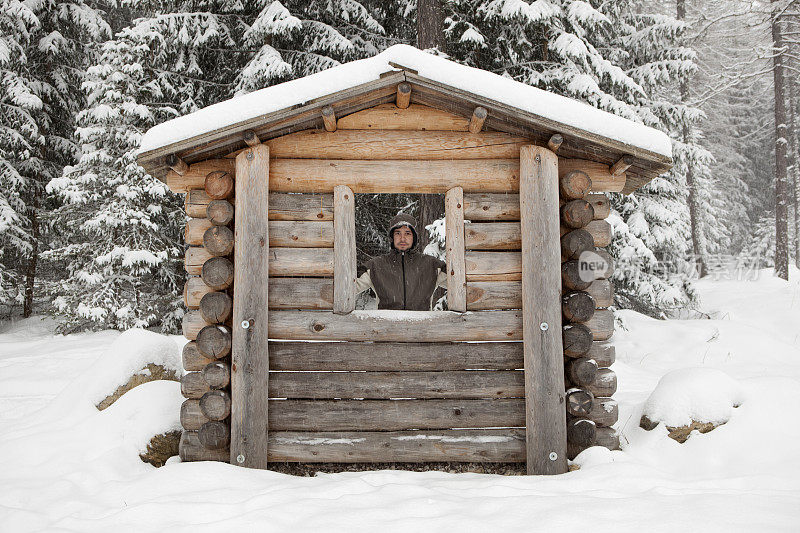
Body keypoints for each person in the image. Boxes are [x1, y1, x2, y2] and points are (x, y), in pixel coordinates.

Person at [355, 213, 447, 311]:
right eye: (398, 233)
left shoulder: (431, 265)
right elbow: (347, 288)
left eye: (407, 233)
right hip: (385, 325)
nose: (402, 238)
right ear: (392, 237)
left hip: (422, 325)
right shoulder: (376, 266)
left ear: (414, 237)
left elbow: (460, 285)